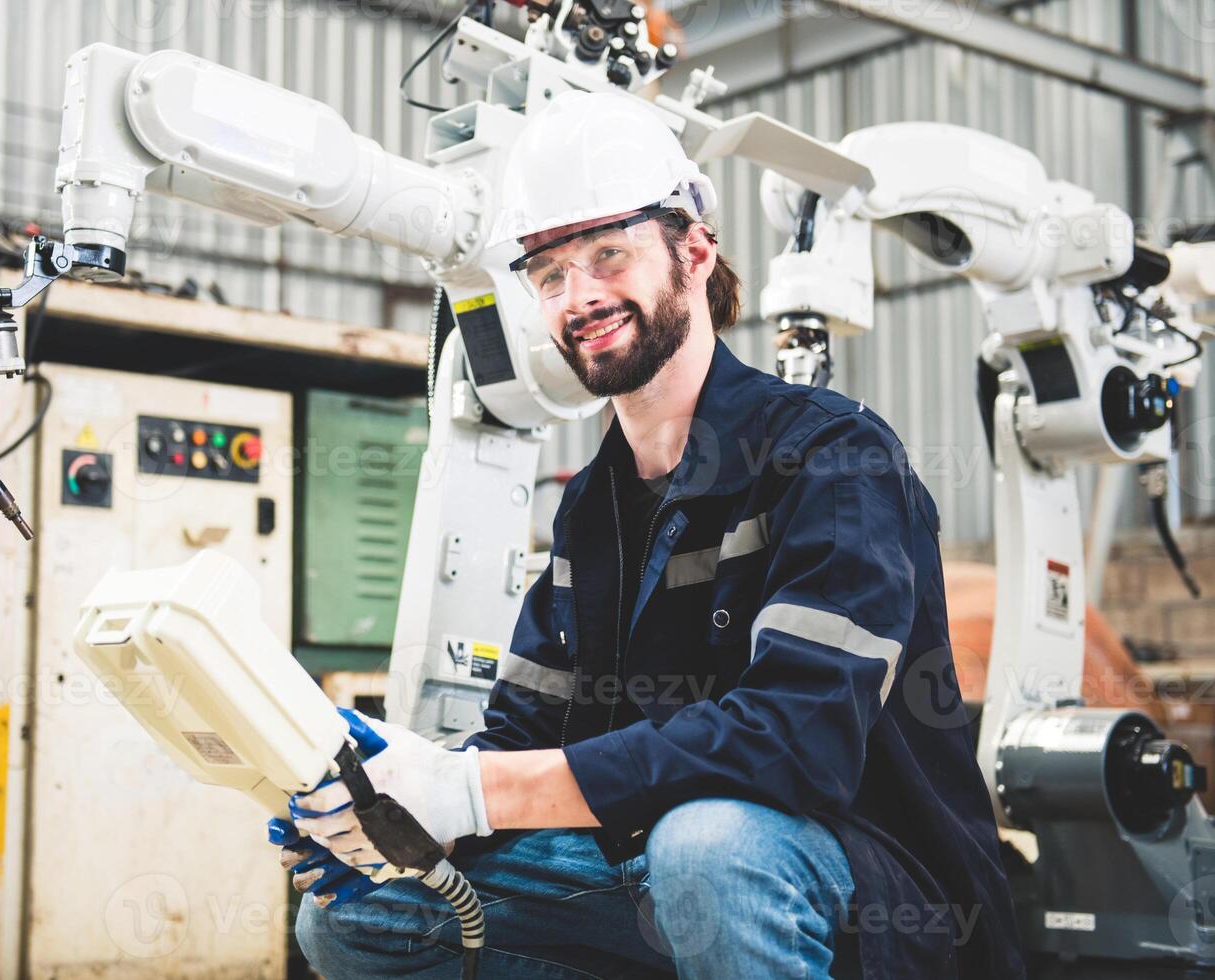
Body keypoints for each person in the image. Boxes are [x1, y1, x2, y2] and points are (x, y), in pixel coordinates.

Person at [276, 90, 1025, 979]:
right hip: (649, 871)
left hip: (879, 896)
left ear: (695, 251)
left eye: (608, 253)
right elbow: (520, 736)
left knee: (709, 847)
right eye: (549, 273)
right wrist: (401, 805)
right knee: (362, 914)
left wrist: (473, 795)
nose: (579, 295)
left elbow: (797, 742)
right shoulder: (590, 509)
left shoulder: (832, 456)